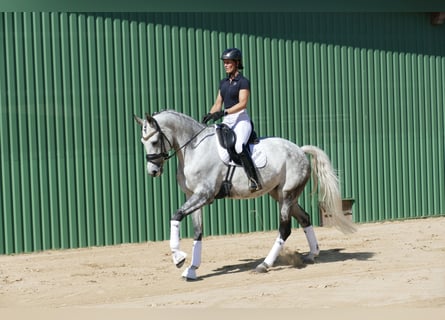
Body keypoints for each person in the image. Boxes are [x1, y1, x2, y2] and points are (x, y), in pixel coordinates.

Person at [202, 48, 262, 192]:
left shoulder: (243, 81)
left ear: (236, 63)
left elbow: (242, 103)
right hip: (228, 120)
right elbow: (218, 103)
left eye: (228, 62)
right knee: (216, 146)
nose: (225, 65)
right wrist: (210, 114)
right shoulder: (223, 82)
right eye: (224, 63)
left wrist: (224, 112)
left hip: (241, 120)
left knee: (239, 146)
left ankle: (254, 179)